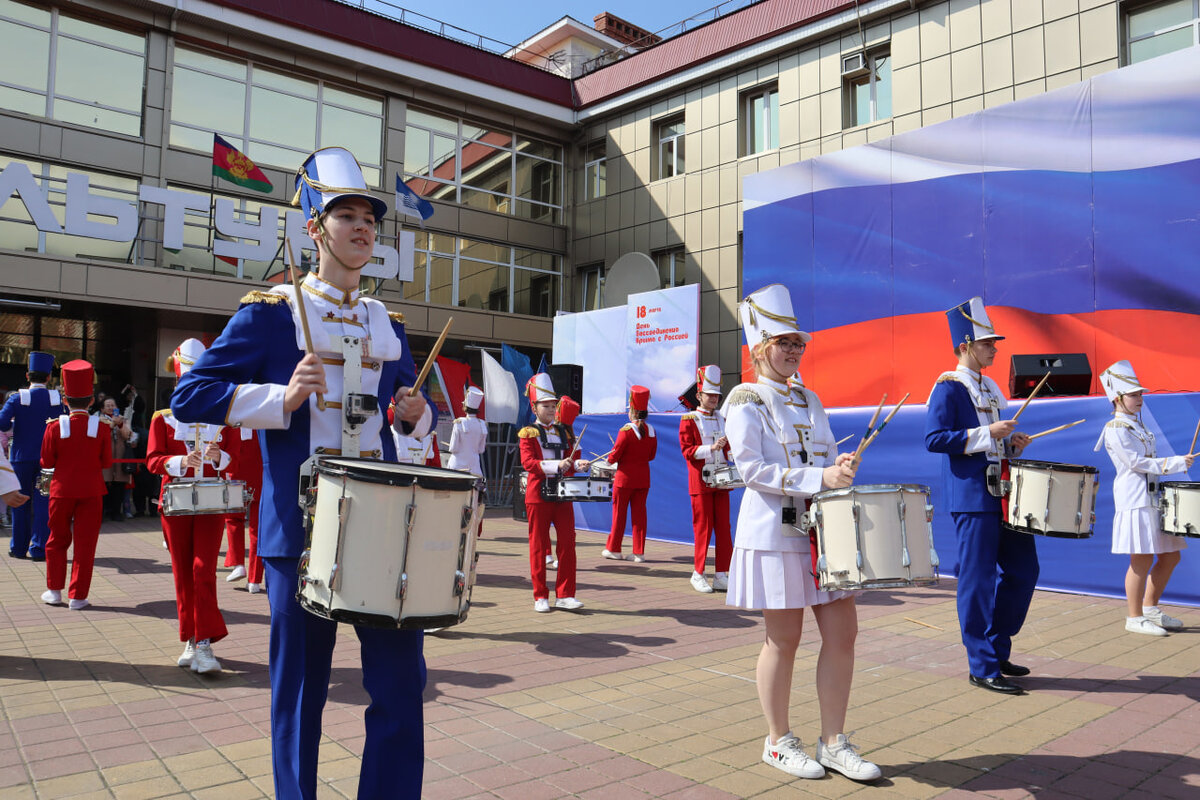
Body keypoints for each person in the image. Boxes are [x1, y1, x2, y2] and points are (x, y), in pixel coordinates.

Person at [171, 146, 436, 800]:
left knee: (402, 684)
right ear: (315, 228)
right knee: (300, 691)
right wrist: (281, 398)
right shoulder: (271, 312)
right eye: (347, 216)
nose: (362, 227)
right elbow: (190, 395)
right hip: (301, 528)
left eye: (369, 219)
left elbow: (415, 414)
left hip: (382, 525)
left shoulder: (387, 323)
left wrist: (415, 413)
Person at [722, 283, 880, 783]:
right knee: (783, 639)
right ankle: (777, 741)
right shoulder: (745, 398)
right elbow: (751, 470)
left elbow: (826, 455)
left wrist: (841, 466)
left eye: (798, 343)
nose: (794, 350)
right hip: (776, 531)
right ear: (760, 347)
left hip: (823, 531)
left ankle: (833, 742)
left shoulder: (810, 397)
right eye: (784, 343)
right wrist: (818, 477)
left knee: (843, 634)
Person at [924, 296, 1036, 695]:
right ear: (965, 346)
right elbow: (934, 439)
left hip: (1005, 491)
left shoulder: (990, 386)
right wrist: (988, 433)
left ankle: (997, 648)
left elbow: (994, 442)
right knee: (978, 579)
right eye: (988, 343)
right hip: (972, 495)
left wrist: (1011, 444)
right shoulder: (948, 386)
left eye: (994, 343)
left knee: (1024, 571)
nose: (994, 349)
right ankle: (981, 665)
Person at [149, 339, 239, 674]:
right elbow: (152, 460)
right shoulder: (162, 419)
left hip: (211, 503)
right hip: (175, 503)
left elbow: (234, 459)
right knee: (182, 572)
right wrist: (180, 461)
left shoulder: (223, 420)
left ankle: (204, 644)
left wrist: (219, 457)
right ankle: (190, 637)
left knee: (203, 570)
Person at [1095, 360, 1193, 635]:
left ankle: (1149, 608)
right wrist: (1175, 462)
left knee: (1171, 556)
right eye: (1133, 395)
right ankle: (1134, 617)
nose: (1139, 399)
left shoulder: (1138, 426)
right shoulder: (1115, 428)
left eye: (1140, 394)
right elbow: (1135, 463)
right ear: (1118, 398)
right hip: (1135, 499)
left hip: (1153, 498)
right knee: (1141, 559)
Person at [39, 359, 112, 610]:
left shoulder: (54, 427)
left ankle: (54, 591)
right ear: (92, 401)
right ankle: (78, 596)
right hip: (92, 491)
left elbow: (46, 461)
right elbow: (106, 462)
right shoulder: (101, 427)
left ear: (64, 400)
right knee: (85, 544)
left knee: (56, 540)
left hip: (61, 491)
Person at [519, 373, 587, 613]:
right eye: (545, 405)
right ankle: (540, 595)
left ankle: (566, 594)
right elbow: (529, 463)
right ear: (534, 407)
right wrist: (557, 465)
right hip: (538, 495)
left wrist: (578, 464)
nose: (550, 409)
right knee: (539, 546)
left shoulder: (563, 432)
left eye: (552, 405)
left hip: (562, 494)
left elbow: (570, 460)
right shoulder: (528, 433)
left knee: (568, 543)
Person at [0, 351, 61, 559]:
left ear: (27, 376)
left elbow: (2, 424)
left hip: (21, 459)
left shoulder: (17, 398)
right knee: (44, 502)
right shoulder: (57, 400)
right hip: (48, 460)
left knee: (19, 503)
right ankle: (39, 548)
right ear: (48, 378)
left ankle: (18, 548)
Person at [680, 365, 732, 593]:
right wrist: (711, 448)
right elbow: (687, 451)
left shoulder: (723, 418)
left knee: (724, 528)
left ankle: (721, 574)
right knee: (703, 528)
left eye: (716, 395)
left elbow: (729, 448)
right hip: (700, 481)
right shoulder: (689, 419)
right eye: (709, 395)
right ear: (699, 395)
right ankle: (698, 573)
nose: (714, 399)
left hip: (722, 479)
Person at [602, 386, 656, 562]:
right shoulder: (652, 431)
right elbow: (651, 456)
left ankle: (614, 549)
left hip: (624, 479)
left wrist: (608, 461)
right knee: (640, 516)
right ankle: (639, 553)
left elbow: (614, 455)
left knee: (619, 515)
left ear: (631, 410)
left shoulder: (625, 431)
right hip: (643, 479)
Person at [223, 428, 265, 592]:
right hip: (260, 469)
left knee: (233, 519)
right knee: (257, 526)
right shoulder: (265, 416)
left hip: (236, 467)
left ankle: (238, 564)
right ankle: (255, 579)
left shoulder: (232, 416)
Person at [99, 397, 135, 522]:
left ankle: (116, 512)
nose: (110, 407)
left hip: (120, 456)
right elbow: (100, 436)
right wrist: (112, 424)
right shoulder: (99, 420)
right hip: (105, 456)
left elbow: (128, 435)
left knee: (119, 486)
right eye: (107, 405)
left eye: (112, 405)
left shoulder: (123, 419)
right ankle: (102, 512)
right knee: (103, 485)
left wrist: (120, 424)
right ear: (102, 409)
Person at [447, 386, 487, 477]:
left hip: (457, 466)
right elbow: (481, 449)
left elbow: (453, 448)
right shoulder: (482, 424)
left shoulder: (459, 423)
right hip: (474, 467)